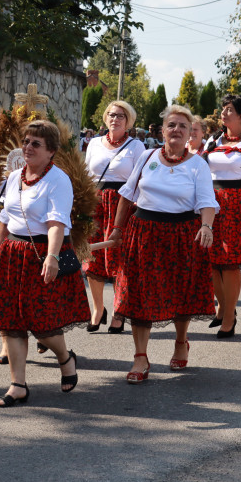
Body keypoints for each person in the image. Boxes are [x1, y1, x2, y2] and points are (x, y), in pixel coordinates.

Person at [110, 105, 218, 383]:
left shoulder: (197, 165)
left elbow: (207, 202)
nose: (177, 130)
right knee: (138, 294)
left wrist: (206, 226)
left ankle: (181, 341)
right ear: (162, 130)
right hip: (144, 232)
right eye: (172, 125)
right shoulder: (147, 157)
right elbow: (127, 195)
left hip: (182, 235)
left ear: (191, 133)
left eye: (184, 126)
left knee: (181, 293)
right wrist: (117, 229)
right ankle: (140, 357)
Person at [0, 120, 86, 406]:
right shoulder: (15, 176)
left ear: (51, 151)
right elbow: (5, 219)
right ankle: (18, 385)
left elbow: (56, 224)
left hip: (41, 254)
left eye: (35, 143)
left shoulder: (58, 180)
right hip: (11, 255)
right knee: (10, 322)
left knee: (42, 323)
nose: (27, 147)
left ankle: (65, 358)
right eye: (26, 141)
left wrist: (52, 257)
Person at [202, 95, 241, 338]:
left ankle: (229, 316)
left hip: (239, 206)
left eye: (230, 110)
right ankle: (223, 307)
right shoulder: (213, 140)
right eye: (223, 109)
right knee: (211, 262)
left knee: (229, 263)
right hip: (212, 205)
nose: (224, 113)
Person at [84, 101, 144, 333]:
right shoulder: (95, 143)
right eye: (111, 114)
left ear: (128, 120)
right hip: (96, 204)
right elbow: (88, 175)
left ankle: (120, 310)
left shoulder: (135, 146)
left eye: (120, 116)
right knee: (92, 257)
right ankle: (98, 309)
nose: (115, 119)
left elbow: (139, 179)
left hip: (123, 206)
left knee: (121, 260)